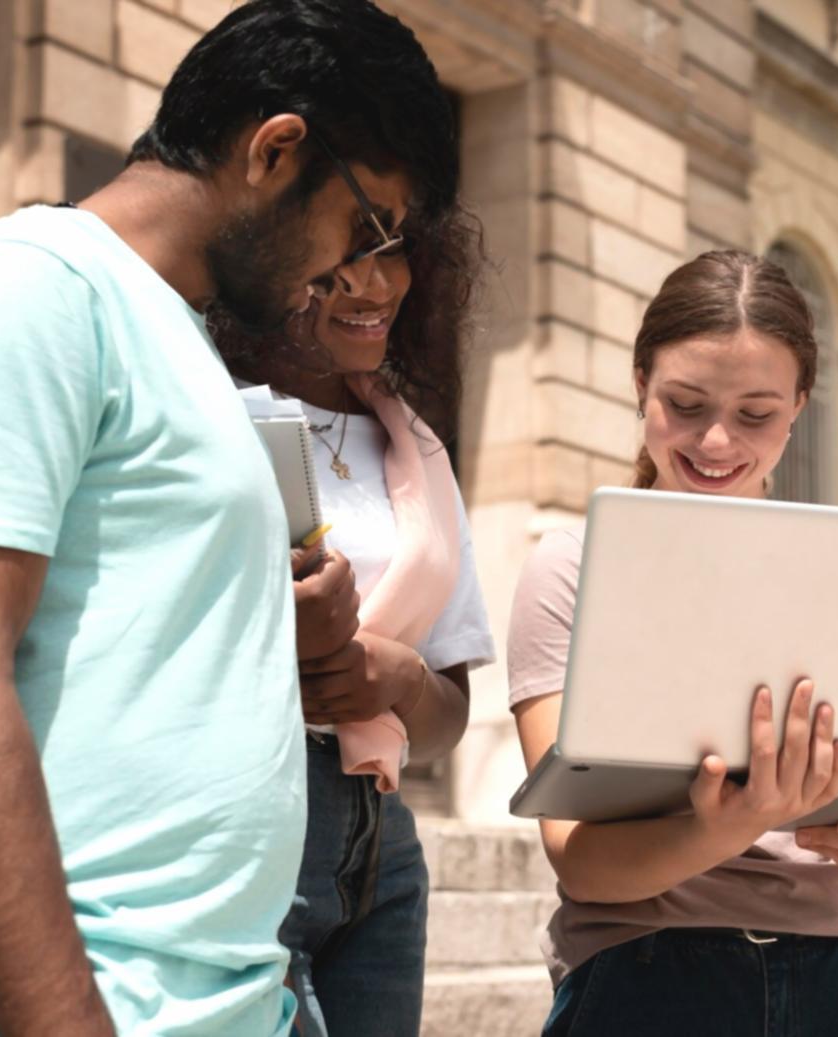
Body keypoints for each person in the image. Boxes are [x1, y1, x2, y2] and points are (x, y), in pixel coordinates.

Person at [0, 2, 457, 1034]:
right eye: (364, 223)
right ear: (277, 150)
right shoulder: (29, 289)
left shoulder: (183, 342)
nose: (349, 269)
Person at [506, 250, 838, 1037]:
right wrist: (729, 823)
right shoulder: (574, 567)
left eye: (756, 414)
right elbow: (580, 857)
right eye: (685, 403)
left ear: (800, 403)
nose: (717, 439)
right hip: (649, 972)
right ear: (639, 383)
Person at [219, 201, 493, 1037]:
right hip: (243, 820)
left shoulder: (416, 448)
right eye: (346, 255)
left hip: (381, 853)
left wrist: (397, 677)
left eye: (395, 252)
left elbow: (447, 715)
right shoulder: (203, 409)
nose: (377, 284)